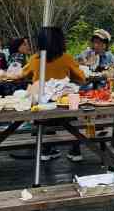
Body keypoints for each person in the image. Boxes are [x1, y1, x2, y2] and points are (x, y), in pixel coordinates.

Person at [20, 27, 86, 162]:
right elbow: (81, 78)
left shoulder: (34, 59)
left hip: (41, 106)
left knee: (45, 122)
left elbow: (22, 74)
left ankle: (47, 149)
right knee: (73, 120)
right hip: (63, 105)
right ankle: (75, 150)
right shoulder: (66, 58)